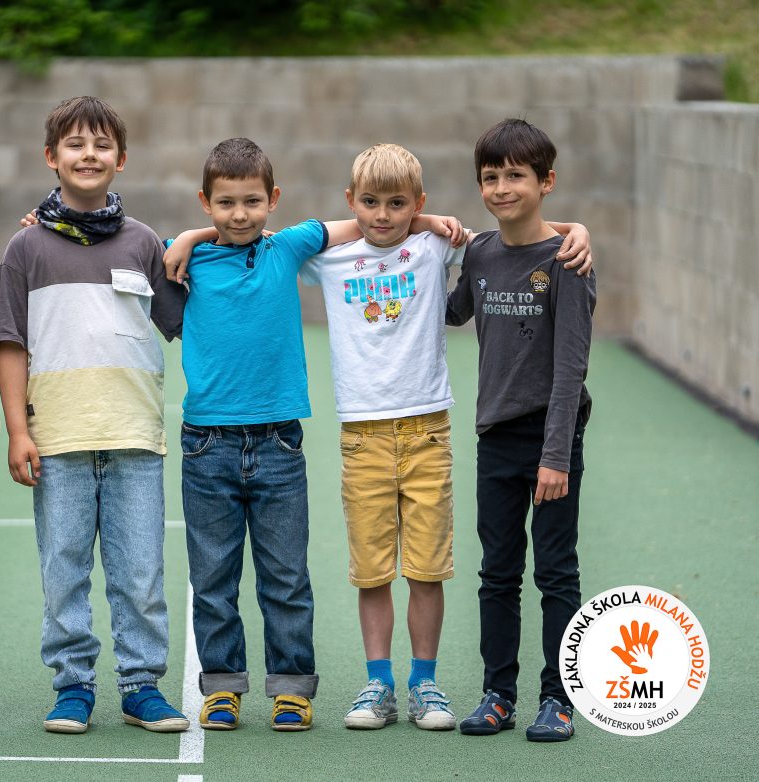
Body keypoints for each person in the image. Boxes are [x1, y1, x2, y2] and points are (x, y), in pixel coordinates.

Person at [162, 138, 462, 731]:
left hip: (279, 440)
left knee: (286, 575)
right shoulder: (188, 258)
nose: (240, 214)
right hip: (206, 443)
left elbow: (361, 224)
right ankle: (222, 687)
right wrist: (189, 237)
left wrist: (425, 220)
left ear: (273, 199)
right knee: (213, 577)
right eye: (226, 203)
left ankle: (293, 688)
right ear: (205, 202)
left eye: (253, 201)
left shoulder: (292, 246)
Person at [300, 143, 592, 733]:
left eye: (399, 204)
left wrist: (576, 229)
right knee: (476, 573)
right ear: (352, 201)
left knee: (536, 571)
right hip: (425, 434)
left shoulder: (527, 256)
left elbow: (523, 248)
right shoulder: (441, 251)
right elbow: (280, 240)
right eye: (491, 177)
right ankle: (462, 691)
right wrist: (419, 221)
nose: (383, 215)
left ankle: (538, 697)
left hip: (471, 432)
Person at [0, 96, 189, 735]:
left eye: (102, 145)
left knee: (141, 574)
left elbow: (180, 318)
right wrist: (18, 430)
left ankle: (141, 686)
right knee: (63, 571)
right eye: (75, 144)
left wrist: (194, 239)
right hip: (58, 438)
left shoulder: (144, 243)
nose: (89, 155)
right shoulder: (25, 247)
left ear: (121, 159)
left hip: (134, 436)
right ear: (51, 157)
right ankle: (72, 685)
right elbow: (10, 343)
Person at [447, 118, 596, 743]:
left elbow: (570, 367)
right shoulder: (481, 252)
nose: (502, 188)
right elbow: (451, 310)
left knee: (556, 572)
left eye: (516, 176)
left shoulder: (568, 260)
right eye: (490, 177)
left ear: (546, 181)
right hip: (495, 438)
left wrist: (555, 455)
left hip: (552, 439)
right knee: (497, 573)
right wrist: (423, 236)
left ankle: (558, 699)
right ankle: (497, 695)